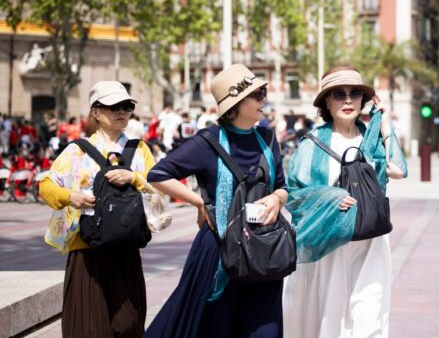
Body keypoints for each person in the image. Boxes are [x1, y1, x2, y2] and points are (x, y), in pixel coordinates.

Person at [145, 64, 288, 338]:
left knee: (265, 331)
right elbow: (158, 175)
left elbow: (282, 186)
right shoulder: (207, 142)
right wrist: (199, 202)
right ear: (236, 103)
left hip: (265, 250)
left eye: (263, 92)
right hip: (220, 251)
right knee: (214, 328)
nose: (264, 99)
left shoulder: (268, 138)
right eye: (257, 94)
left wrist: (277, 198)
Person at [283, 65, 407, 337]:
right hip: (331, 245)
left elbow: (399, 169)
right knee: (332, 317)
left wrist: (384, 124)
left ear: (363, 100)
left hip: (371, 242)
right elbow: (293, 194)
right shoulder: (312, 143)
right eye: (339, 94)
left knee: (369, 317)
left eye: (355, 93)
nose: (348, 100)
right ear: (327, 102)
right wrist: (330, 198)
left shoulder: (371, 140)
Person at [39, 81, 155, 337]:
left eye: (127, 106)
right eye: (114, 106)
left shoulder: (140, 150)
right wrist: (71, 197)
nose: (121, 111)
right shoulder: (77, 151)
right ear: (95, 111)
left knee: (129, 327)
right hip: (86, 251)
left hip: (126, 249)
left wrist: (133, 178)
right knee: (87, 329)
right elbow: (46, 186)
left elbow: (158, 189)